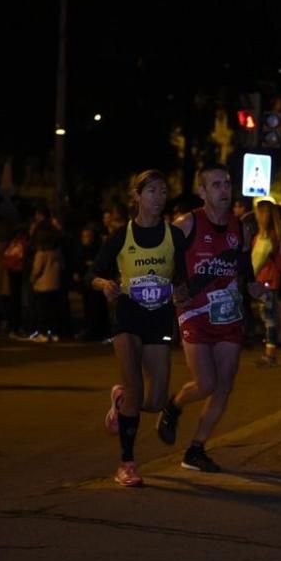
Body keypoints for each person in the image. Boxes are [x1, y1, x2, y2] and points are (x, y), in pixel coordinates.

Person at [157, 165, 267, 473]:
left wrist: (254, 285)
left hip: (228, 313)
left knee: (225, 383)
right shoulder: (187, 223)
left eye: (227, 184)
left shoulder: (239, 228)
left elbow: (244, 266)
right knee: (205, 383)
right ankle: (174, 404)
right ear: (202, 192)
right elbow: (164, 258)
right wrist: (175, 286)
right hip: (194, 311)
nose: (224, 189)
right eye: (216, 185)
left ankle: (196, 449)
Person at [92, 170, 188, 486]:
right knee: (135, 386)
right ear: (136, 196)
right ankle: (127, 463)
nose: (159, 197)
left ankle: (119, 401)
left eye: (163, 191)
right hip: (128, 317)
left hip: (158, 318)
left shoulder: (174, 236)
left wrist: (181, 290)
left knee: (157, 399)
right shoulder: (121, 236)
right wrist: (104, 284)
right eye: (152, 191)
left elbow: (181, 278)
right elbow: (93, 274)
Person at [251, 200, 281, 365]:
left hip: (268, 281)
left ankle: (270, 354)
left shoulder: (271, 238)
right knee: (267, 317)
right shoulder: (261, 236)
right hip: (262, 281)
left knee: (269, 318)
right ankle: (269, 352)